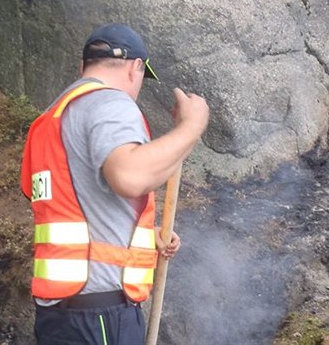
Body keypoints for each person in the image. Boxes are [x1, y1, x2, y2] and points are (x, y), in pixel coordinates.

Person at [20, 23, 210, 345]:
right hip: (100, 316)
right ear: (136, 68)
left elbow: (75, 207)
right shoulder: (110, 103)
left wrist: (144, 238)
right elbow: (130, 177)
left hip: (59, 316)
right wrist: (191, 126)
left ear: (84, 66)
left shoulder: (51, 120)